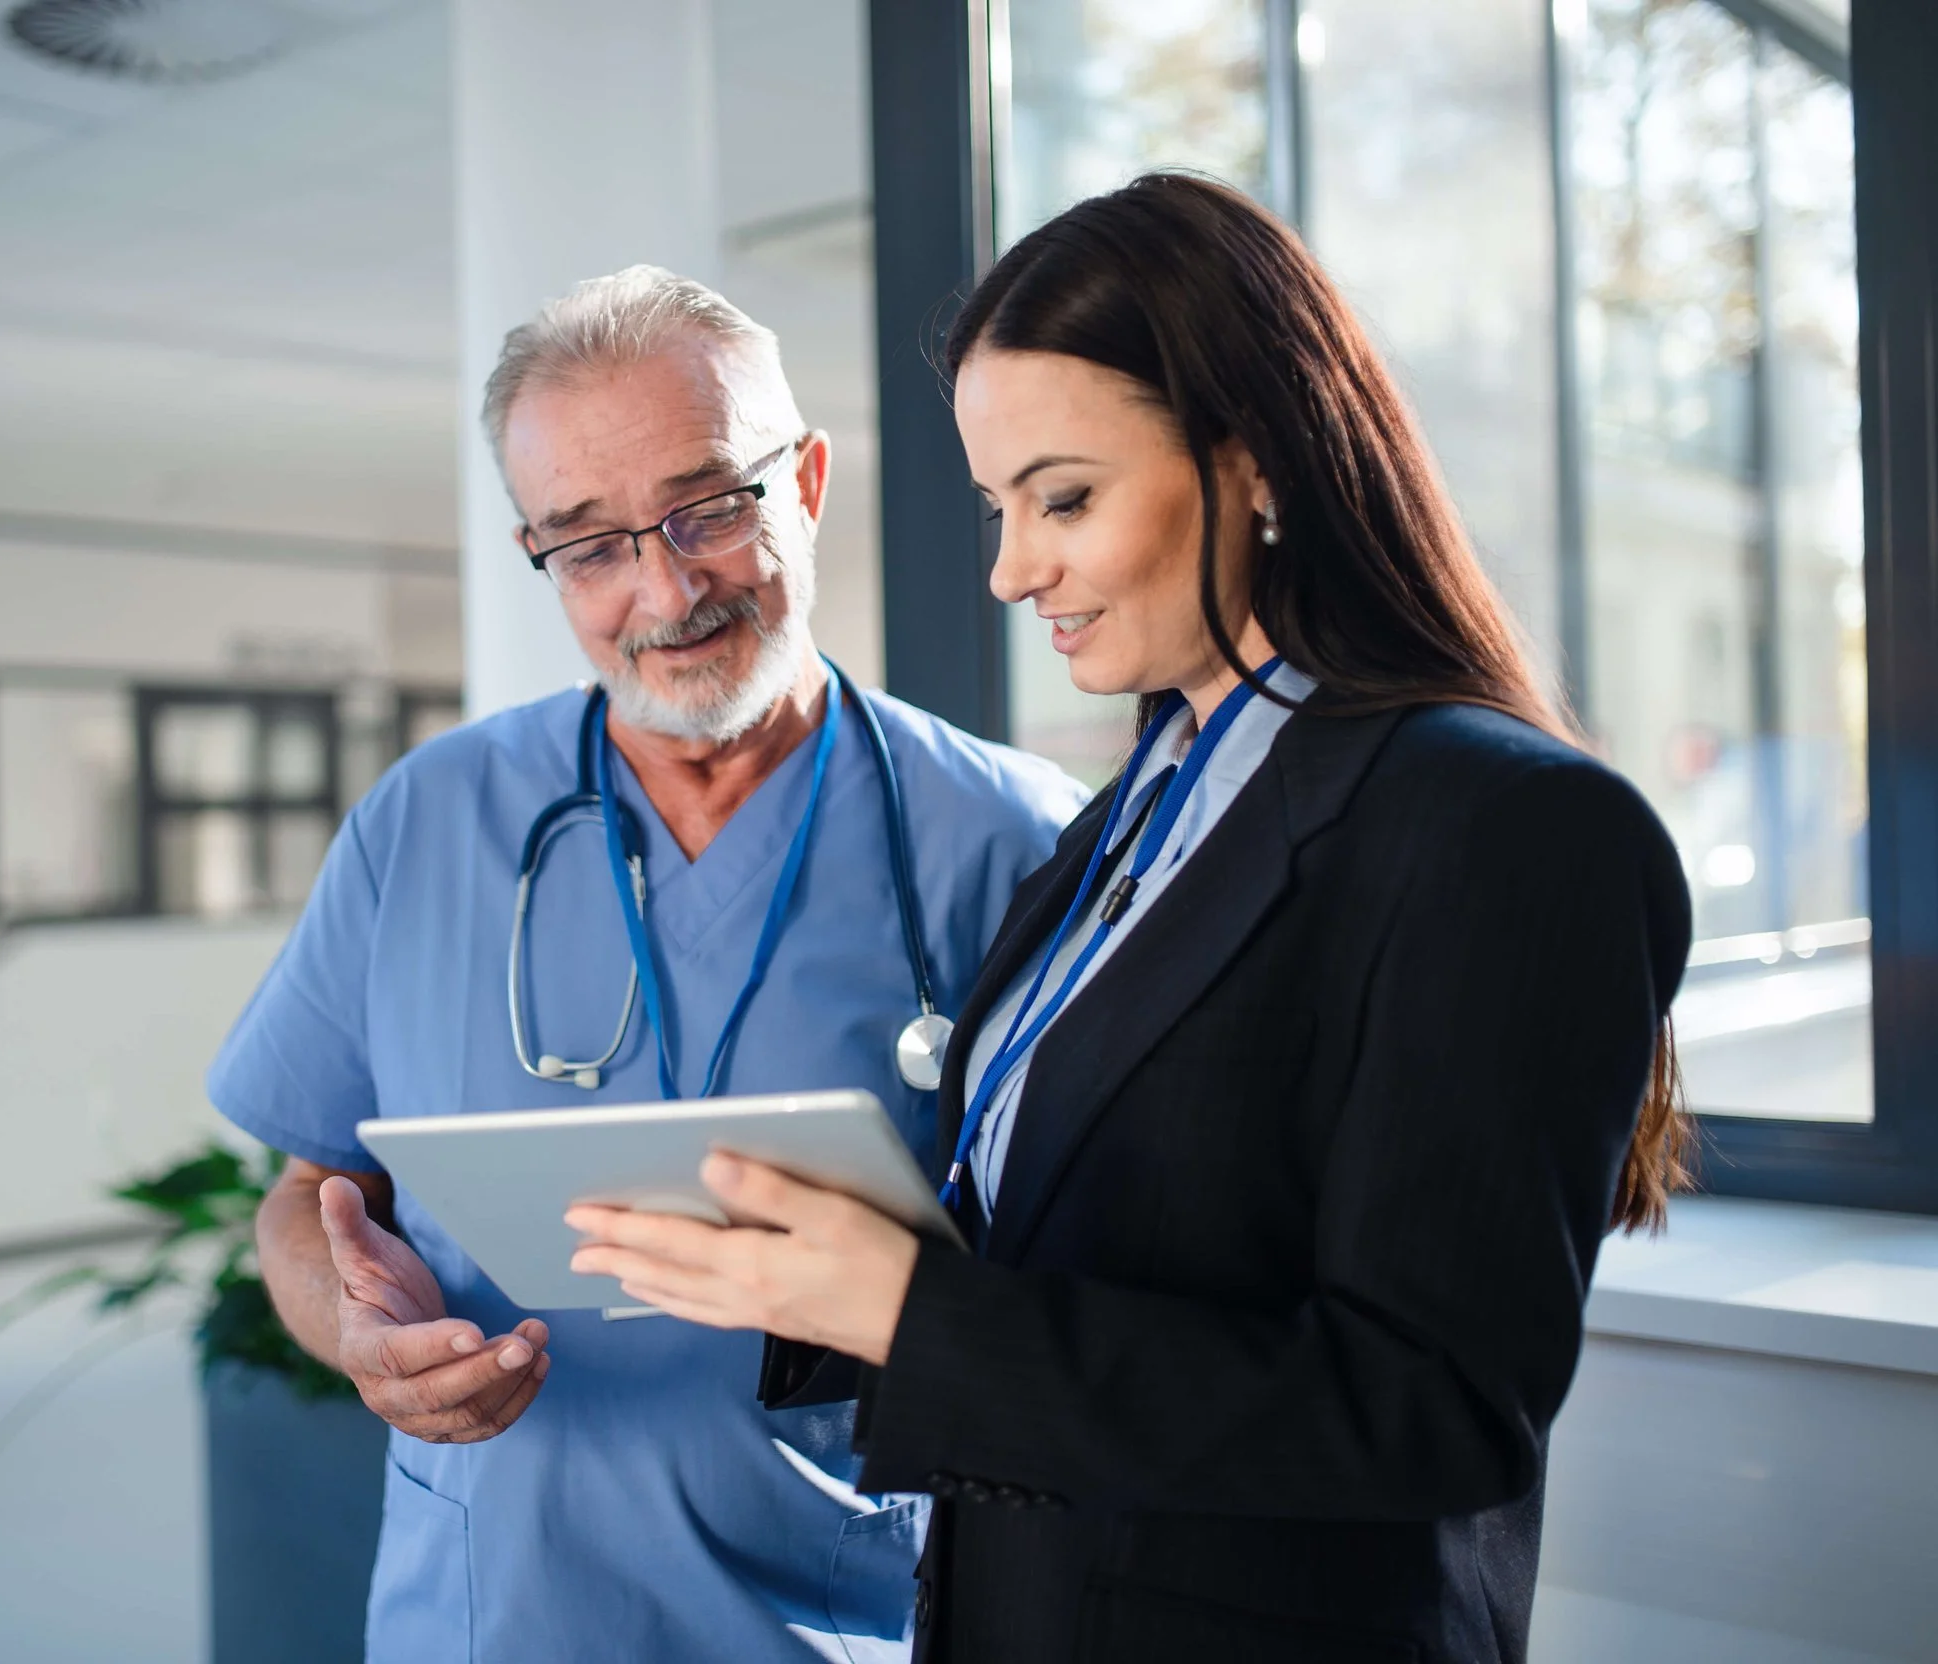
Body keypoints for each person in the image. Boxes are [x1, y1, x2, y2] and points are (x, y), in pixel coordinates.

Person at [566, 175, 1695, 1662]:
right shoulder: (1143, 806)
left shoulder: (1501, 825)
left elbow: (1431, 1415)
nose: (1011, 568)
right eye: (998, 507)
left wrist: (919, 1315)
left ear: (1260, 464)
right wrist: (833, 1263)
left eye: (1066, 498)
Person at [207, 266, 1083, 1663]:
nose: (663, 589)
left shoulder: (1009, 840)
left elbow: (1097, 1281)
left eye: (710, 510)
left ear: (804, 478)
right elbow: (309, 1194)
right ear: (539, 557)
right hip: (490, 1615)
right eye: (591, 545)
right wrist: (358, 1337)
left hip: (852, 1611)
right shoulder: (426, 823)